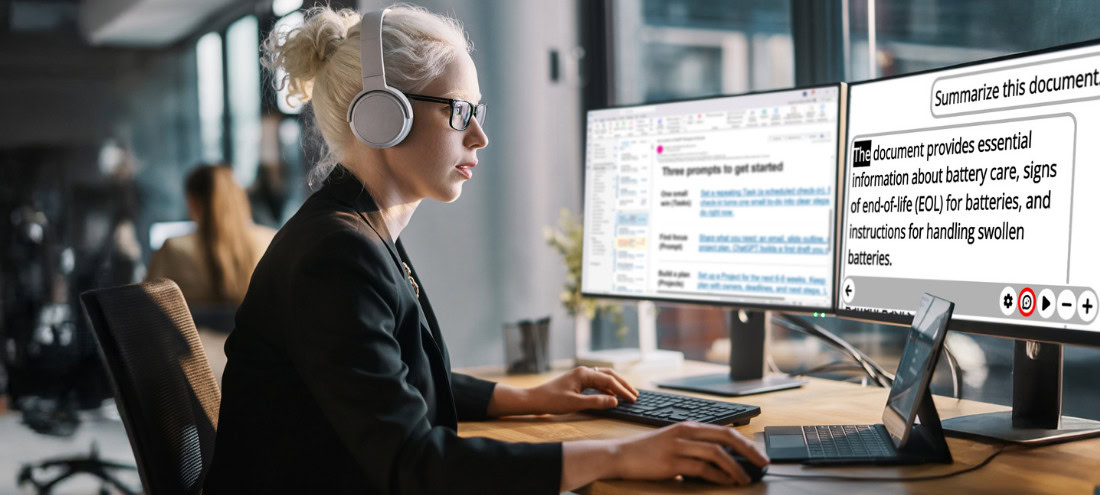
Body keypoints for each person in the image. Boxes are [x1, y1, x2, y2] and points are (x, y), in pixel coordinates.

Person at [204, 5, 768, 494]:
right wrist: (622, 455)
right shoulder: (334, 257)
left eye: (479, 112)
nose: (479, 136)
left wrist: (529, 398)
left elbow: (392, 379)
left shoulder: (353, 232)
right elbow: (414, 466)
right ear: (383, 116)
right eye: (458, 111)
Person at [146, 164, 276, 309]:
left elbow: (146, 307)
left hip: (195, 332)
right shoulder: (270, 241)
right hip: (255, 331)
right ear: (240, 197)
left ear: (193, 201)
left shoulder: (173, 249)